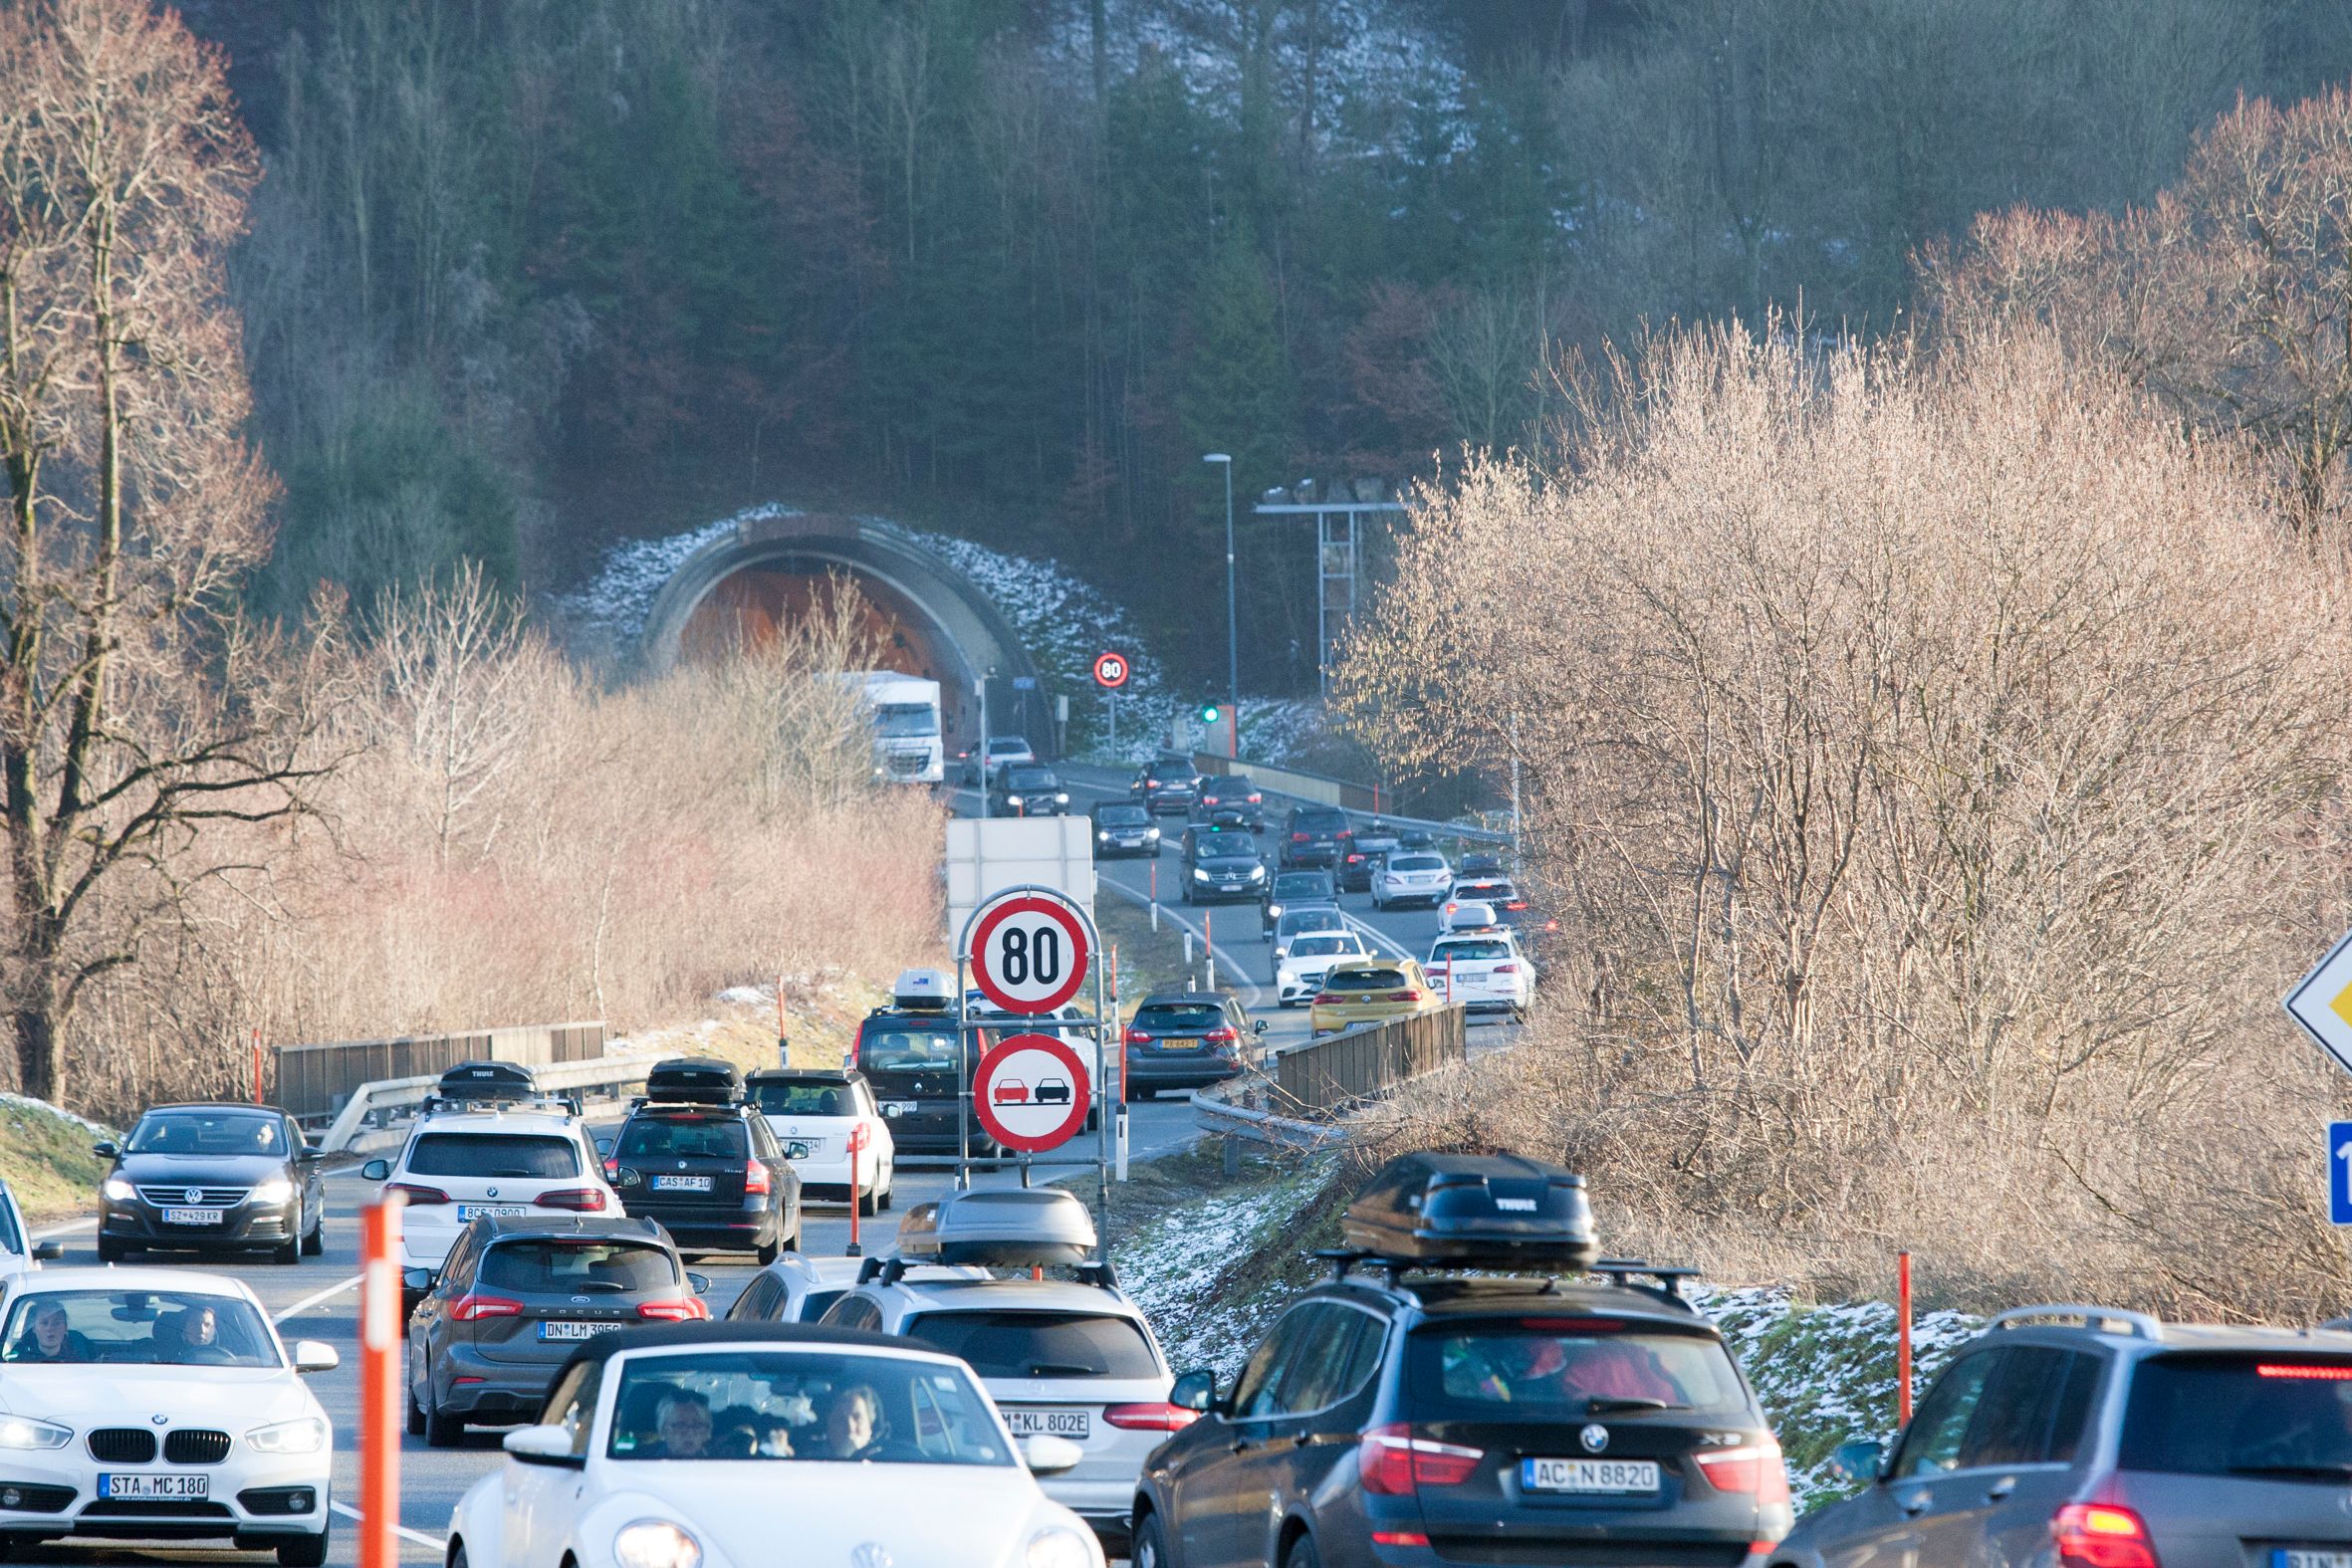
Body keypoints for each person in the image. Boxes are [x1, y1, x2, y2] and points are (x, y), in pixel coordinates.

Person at [635, 1391, 714, 1458]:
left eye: (698, 1426)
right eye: (680, 1425)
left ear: (708, 1432)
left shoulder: (719, 1459)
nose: (689, 1433)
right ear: (662, 1430)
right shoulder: (639, 1459)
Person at [10, 1301, 91, 1364]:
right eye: (44, 1323)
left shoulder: (81, 1349)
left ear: (65, 1328)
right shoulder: (18, 1358)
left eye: (56, 1323)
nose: (50, 1328)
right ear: (34, 1328)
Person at [819, 1385, 884, 1460]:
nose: (850, 1427)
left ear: (870, 1425)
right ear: (829, 1427)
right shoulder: (811, 1462)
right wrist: (842, 1456)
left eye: (857, 1418)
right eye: (841, 1420)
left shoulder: (888, 1461)